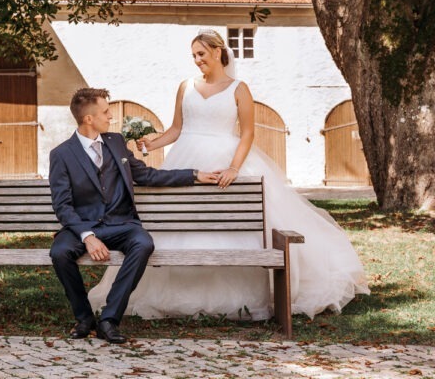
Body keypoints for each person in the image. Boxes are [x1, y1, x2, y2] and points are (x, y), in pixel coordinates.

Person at [89, 29, 370, 322]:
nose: (197, 60)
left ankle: (244, 296)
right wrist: (152, 142)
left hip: (227, 158)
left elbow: (248, 133)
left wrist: (234, 167)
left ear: (218, 51)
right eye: (194, 55)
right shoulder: (186, 86)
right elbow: (176, 129)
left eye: (202, 54)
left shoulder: (239, 88)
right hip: (186, 158)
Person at [49, 87, 218, 343]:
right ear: (88, 119)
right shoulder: (61, 155)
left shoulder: (116, 143)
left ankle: (109, 319)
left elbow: (147, 175)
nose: (111, 117)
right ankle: (84, 318)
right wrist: (87, 236)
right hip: (82, 226)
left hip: (121, 223)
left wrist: (194, 175)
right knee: (59, 252)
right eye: (106, 112)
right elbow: (63, 206)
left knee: (143, 243)